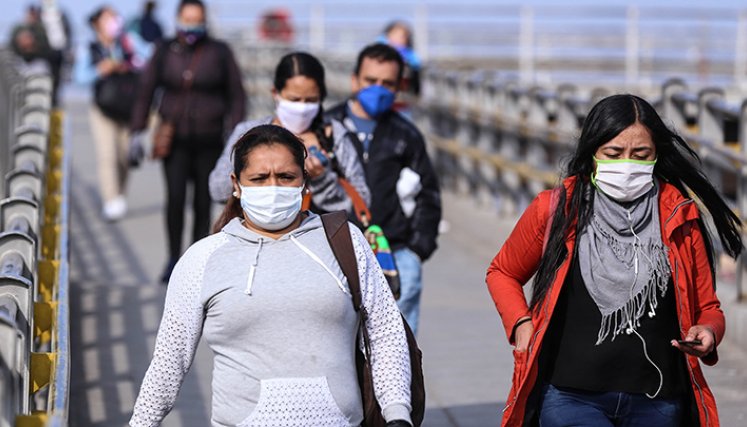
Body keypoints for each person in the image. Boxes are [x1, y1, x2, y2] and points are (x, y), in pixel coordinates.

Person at [130, 124, 413, 427]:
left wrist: (397, 413)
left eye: (286, 177)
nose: (273, 188)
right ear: (236, 184)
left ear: (305, 182)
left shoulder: (346, 242)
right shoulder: (203, 259)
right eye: (259, 178)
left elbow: (386, 331)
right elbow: (169, 360)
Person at [486, 94, 742, 427]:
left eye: (641, 155)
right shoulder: (557, 208)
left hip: (659, 402)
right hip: (570, 398)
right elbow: (502, 272)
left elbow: (709, 307)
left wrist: (707, 333)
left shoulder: (680, 215)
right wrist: (521, 323)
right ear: (592, 153)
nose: (627, 164)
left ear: (656, 156)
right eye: (613, 153)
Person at [326, 43, 441, 335]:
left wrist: (417, 251)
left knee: (400, 353)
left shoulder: (406, 135)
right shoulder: (326, 128)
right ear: (355, 80)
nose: (378, 89)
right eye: (370, 81)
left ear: (398, 86)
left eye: (387, 83)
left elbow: (429, 194)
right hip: (335, 255)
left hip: (397, 255)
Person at [129, 0, 246, 283]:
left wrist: (237, 135)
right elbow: (147, 90)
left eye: (197, 20)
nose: (192, 26)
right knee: (176, 199)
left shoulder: (219, 52)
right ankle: (172, 258)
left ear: (204, 21)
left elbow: (237, 95)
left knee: (204, 202)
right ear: (178, 20)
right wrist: (137, 131)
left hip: (210, 139)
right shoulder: (164, 50)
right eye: (187, 20)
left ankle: (197, 259)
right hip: (175, 139)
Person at [209, 51, 371, 220]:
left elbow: (361, 202)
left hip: (321, 237)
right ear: (275, 93)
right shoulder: (249, 133)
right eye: (294, 99)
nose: (302, 108)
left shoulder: (335, 136)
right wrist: (256, 173)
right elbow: (217, 190)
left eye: (310, 100)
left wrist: (322, 179)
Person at [74, 6, 151, 221]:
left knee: (125, 157)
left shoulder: (129, 41)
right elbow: (79, 78)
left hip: (128, 107)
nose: (113, 22)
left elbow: (152, 58)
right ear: (96, 23)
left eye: (115, 17)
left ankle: (119, 194)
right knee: (107, 155)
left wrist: (131, 60)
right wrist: (101, 69)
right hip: (103, 109)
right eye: (108, 18)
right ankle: (111, 200)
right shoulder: (89, 47)